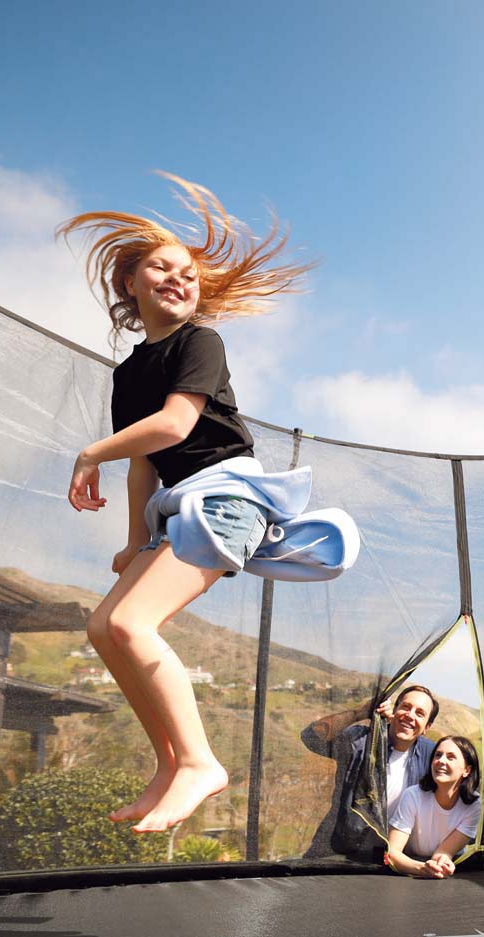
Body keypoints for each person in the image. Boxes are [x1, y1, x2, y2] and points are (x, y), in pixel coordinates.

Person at [59, 174, 323, 833]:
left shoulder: (199, 343)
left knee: (129, 626)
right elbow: (145, 462)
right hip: (178, 510)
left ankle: (201, 762)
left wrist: (92, 451)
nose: (181, 280)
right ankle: (170, 765)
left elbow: (174, 427)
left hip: (229, 500)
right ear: (132, 283)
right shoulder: (129, 373)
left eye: (190, 274)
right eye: (163, 269)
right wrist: (132, 540)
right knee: (102, 629)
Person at [300, 684, 439, 857]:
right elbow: (311, 738)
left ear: (427, 727)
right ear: (394, 711)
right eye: (406, 707)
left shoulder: (432, 756)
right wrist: (361, 712)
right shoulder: (363, 740)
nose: (410, 715)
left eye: (420, 713)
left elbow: (455, 791)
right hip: (338, 851)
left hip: (389, 859)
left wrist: (480, 839)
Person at [386, 735, 482, 879]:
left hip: (453, 873)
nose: (441, 761)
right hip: (412, 868)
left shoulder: (473, 805)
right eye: (438, 755)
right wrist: (422, 868)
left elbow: (443, 853)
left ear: (467, 770)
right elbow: (392, 853)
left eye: (450, 757)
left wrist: (442, 863)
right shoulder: (412, 796)